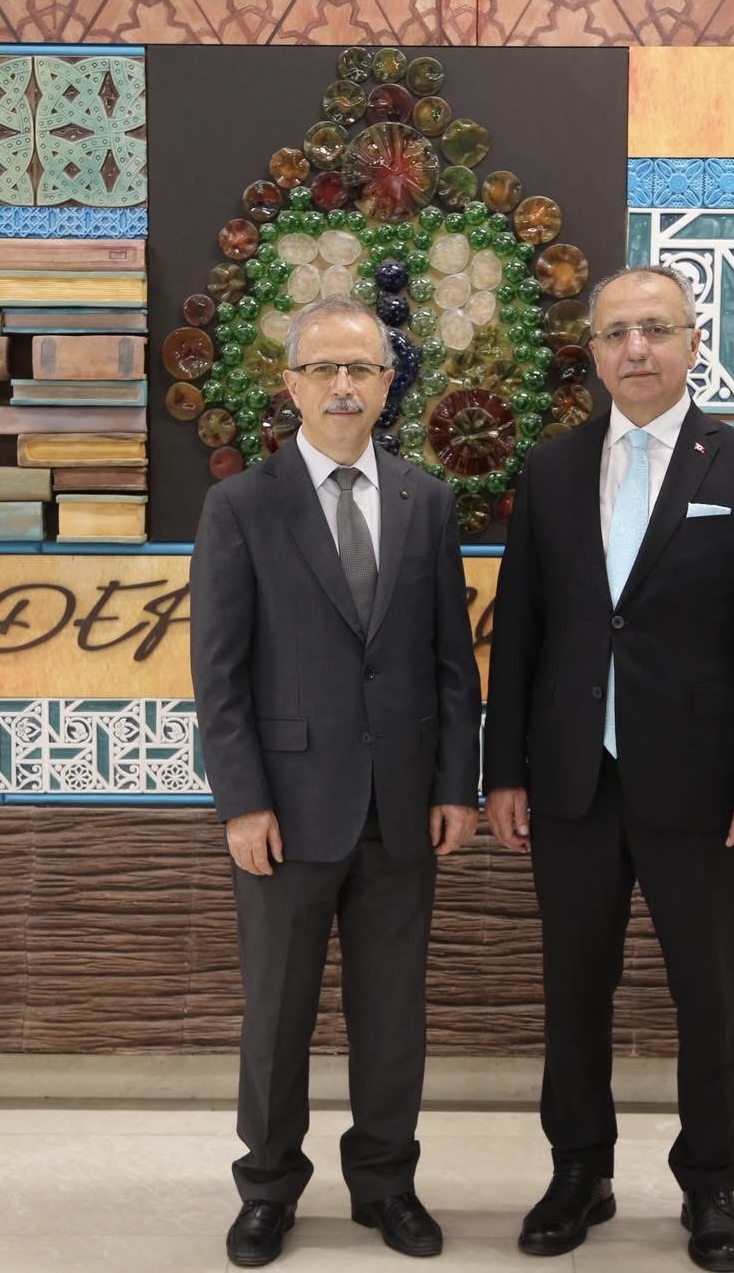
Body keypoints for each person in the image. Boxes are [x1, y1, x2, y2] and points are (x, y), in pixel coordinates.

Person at [483, 265, 734, 1271]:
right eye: (616, 331)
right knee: (573, 990)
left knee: (706, 995)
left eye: (656, 329)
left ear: (691, 342)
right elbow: (521, 631)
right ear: (591, 350)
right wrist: (505, 772)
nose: (636, 348)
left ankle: (709, 1184)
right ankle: (578, 1171)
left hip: (703, 790)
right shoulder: (550, 470)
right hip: (572, 781)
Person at [190, 295, 482, 1267]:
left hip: (401, 807)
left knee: (392, 1013)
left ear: (389, 384)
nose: (343, 386)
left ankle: (386, 1183)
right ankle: (268, 1186)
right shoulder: (242, 505)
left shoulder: (425, 501)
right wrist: (241, 801)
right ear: (292, 383)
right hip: (283, 809)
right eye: (323, 368)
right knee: (276, 1013)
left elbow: (451, 664)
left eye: (361, 368)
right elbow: (219, 672)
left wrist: (455, 784)